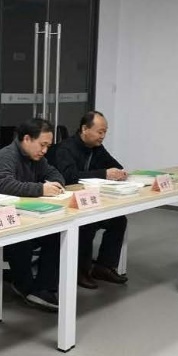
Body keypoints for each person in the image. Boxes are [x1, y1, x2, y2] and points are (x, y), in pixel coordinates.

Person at [0, 118, 66, 311]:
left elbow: (55, 174)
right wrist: (41, 189)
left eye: (48, 146)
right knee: (22, 240)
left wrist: (55, 184)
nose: (45, 151)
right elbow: (6, 185)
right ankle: (25, 287)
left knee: (56, 234)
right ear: (27, 139)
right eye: (42, 145)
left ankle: (44, 288)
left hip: (25, 215)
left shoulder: (36, 158)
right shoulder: (6, 156)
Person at [54, 111, 129, 289]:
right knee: (87, 224)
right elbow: (68, 177)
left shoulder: (96, 147)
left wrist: (118, 173)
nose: (102, 136)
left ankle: (104, 266)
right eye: (99, 132)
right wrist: (103, 173)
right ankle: (80, 271)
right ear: (84, 129)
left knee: (119, 220)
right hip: (68, 203)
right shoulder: (66, 149)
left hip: (90, 200)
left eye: (105, 132)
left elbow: (115, 166)